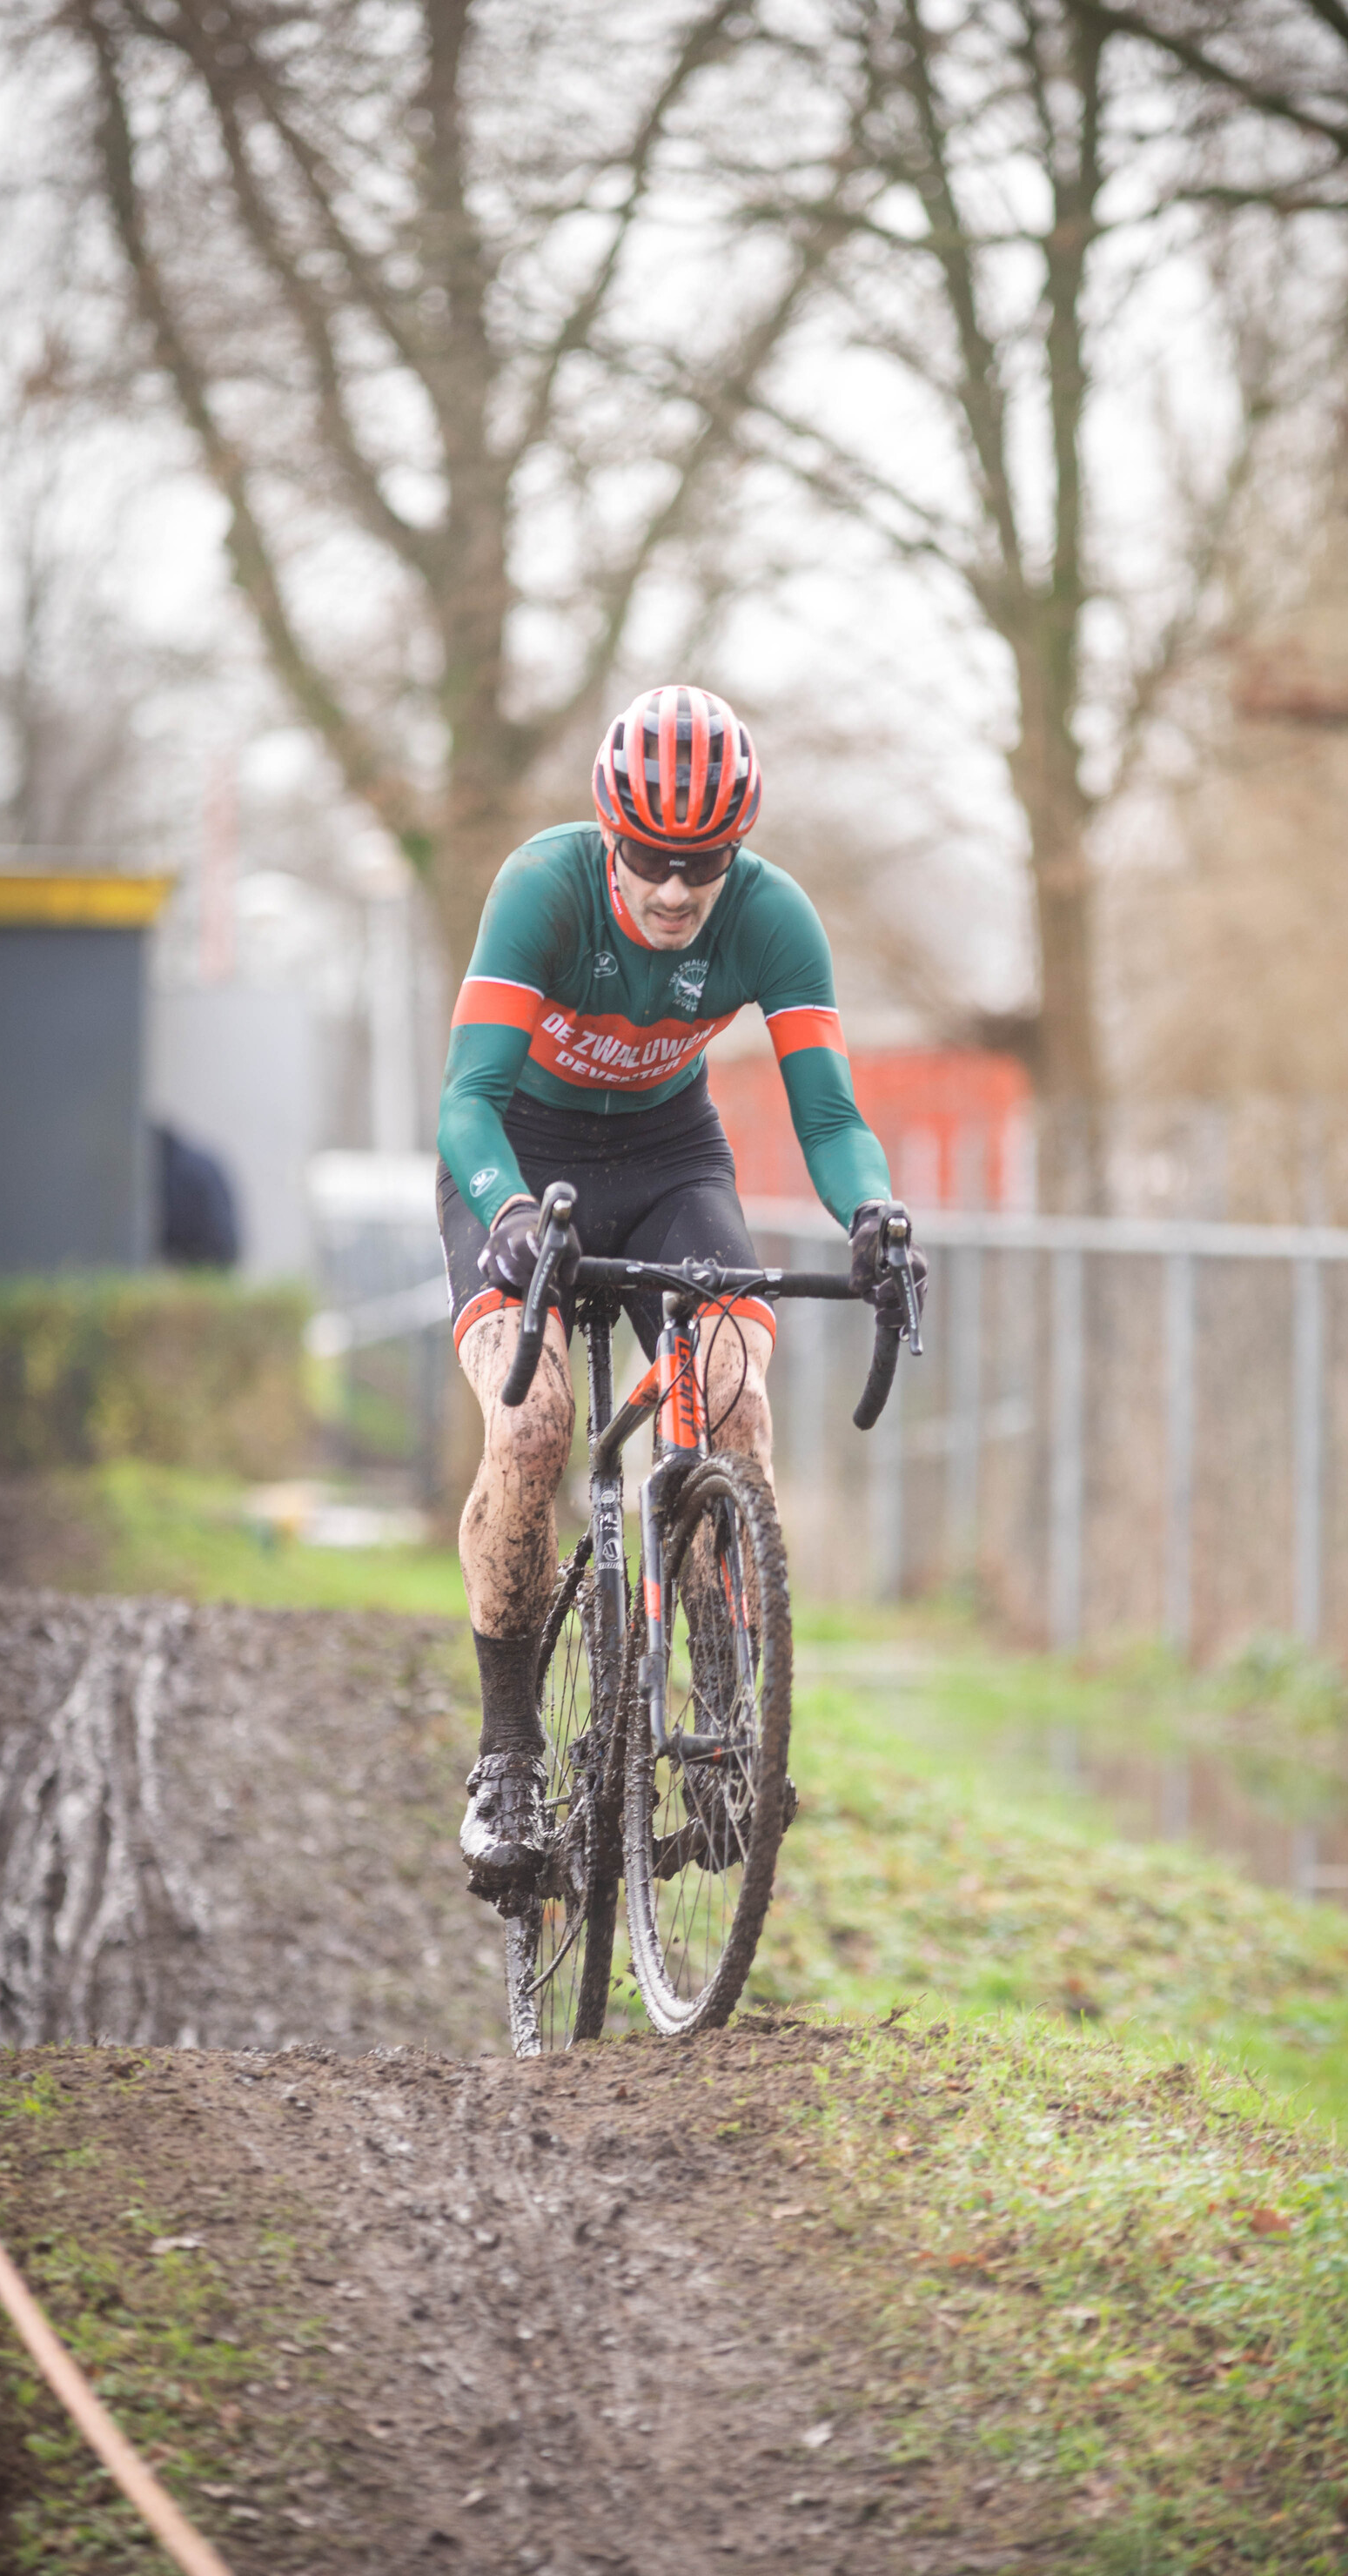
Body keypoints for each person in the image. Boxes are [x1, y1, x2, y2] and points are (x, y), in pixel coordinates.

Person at [436, 682, 924, 1903]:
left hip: (669, 1166)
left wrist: (870, 1213)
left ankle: (719, 1729)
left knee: (732, 1400)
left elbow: (828, 1114)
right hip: (522, 1167)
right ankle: (506, 1756)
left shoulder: (771, 919)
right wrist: (501, 1212)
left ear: (734, 852)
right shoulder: (542, 888)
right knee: (536, 1423)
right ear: (612, 836)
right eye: (650, 856)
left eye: (700, 862)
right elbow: (465, 1100)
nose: (671, 888)